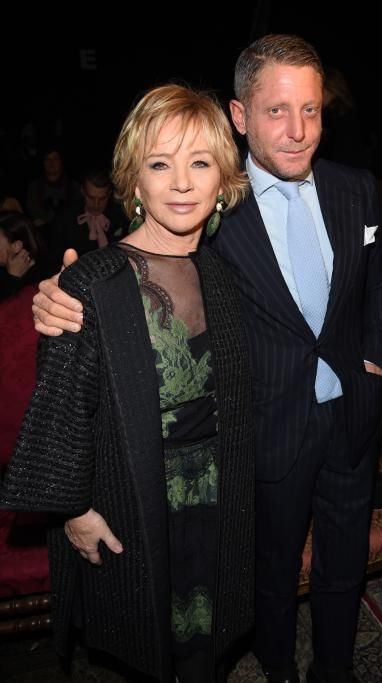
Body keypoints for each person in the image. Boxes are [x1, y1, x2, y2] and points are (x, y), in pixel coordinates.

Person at [30, 34, 382, 683]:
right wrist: (60, 293)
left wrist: (373, 361)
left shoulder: (338, 196)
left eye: (310, 110)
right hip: (235, 446)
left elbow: (376, 283)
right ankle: (277, 668)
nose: (296, 130)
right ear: (240, 115)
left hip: (314, 437)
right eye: (276, 110)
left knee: (311, 581)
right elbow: (130, 284)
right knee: (246, 585)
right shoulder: (197, 221)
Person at [1, 84, 255, 683]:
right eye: (160, 164)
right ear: (134, 184)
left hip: (217, 491)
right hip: (134, 498)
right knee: (152, 645)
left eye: (200, 163)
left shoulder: (221, 273)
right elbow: (62, 408)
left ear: (223, 182)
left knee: (207, 644)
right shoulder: (91, 282)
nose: (182, 183)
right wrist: (76, 510)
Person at [49, 167, 127, 267]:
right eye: (91, 197)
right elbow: (54, 257)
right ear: (83, 191)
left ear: (109, 194)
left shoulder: (119, 215)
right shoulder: (66, 217)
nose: (96, 204)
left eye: (102, 198)